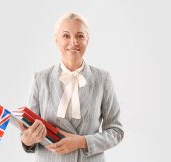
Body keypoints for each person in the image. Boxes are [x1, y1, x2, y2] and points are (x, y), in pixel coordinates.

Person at [19, 12, 124, 162]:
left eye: (80, 36)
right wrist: (27, 141)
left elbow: (116, 131)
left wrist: (82, 142)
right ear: (56, 40)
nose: (73, 42)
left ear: (87, 40)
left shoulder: (103, 79)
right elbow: (27, 131)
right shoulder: (40, 79)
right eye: (66, 36)